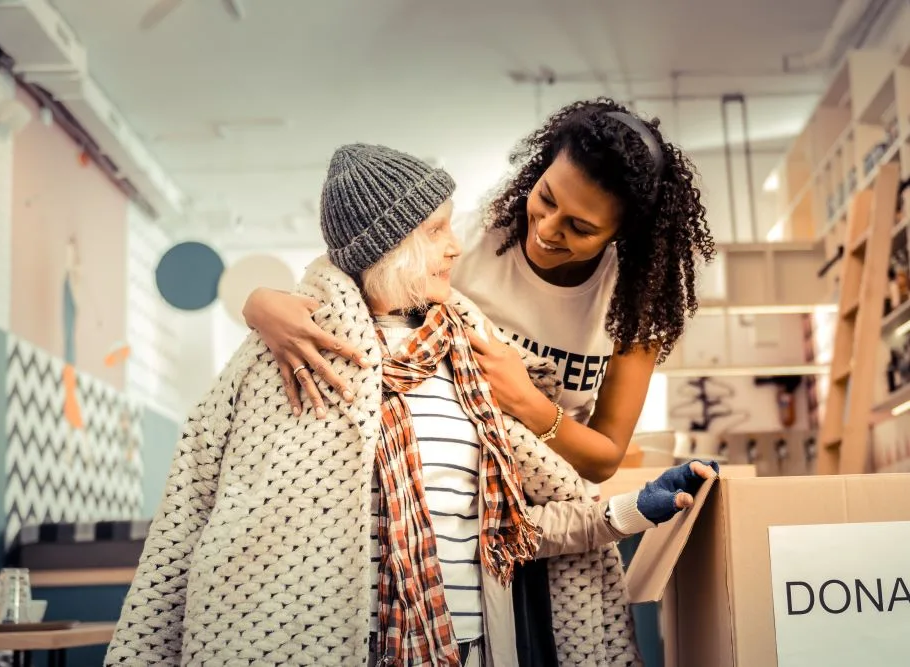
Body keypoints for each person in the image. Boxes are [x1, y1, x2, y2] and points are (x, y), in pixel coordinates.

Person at [105, 143, 717, 667]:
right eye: (435, 231)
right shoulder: (289, 361)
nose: (457, 248)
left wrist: (631, 511)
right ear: (389, 248)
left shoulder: (470, 365)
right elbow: (193, 523)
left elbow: (509, 532)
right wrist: (258, 302)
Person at [242, 98, 715, 487]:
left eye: (580, 227)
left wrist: (526, 401)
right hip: (440, 484)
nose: (546, 230)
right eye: (547, 198)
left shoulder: (635, 306)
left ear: (621, 233)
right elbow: (350, 281)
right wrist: (260, 303)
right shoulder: (467, 242)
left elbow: (604, 457)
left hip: (545, 501)